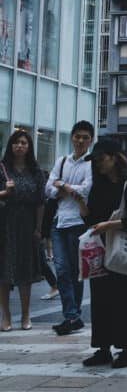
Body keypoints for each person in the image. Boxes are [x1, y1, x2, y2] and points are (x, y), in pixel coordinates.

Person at [80, 139, 127, 369]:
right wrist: (81, 205)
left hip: (122, 251)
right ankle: (103, 348)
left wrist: (109, 226)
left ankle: (126, 349)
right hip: (101, 249)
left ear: (114, 158)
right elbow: (91, 220)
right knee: (100, 300)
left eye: (102, 158)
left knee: (124, 301)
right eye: (96, 160)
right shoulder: (98, 186)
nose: (98, 163)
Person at [46, 120, 94, 336]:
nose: (81, 140)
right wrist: (63, 189)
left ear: (91, 140)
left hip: (78, 222)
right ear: (72, 138)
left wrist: (62, 185)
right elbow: (48, 188)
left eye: (85, 137)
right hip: (59, 221)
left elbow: (85, 191)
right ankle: (72, 316)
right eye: (78, 136)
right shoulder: (62, 161)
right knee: (62, 269)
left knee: (75, 271)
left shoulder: (91, 164)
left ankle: (73, 317)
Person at [0, 130, 46, 331]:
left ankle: (26, 316)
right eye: (16, 142)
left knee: (25, 270)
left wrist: (38, 228)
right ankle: (6, 317)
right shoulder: (2, 169)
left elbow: (40, 203)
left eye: (24, 143)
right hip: (4, 222)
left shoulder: (36, 172)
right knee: (4, 270)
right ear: (11, 146)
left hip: (27, 223)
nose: (20, 146)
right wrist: (5, 192)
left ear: (29, 147)